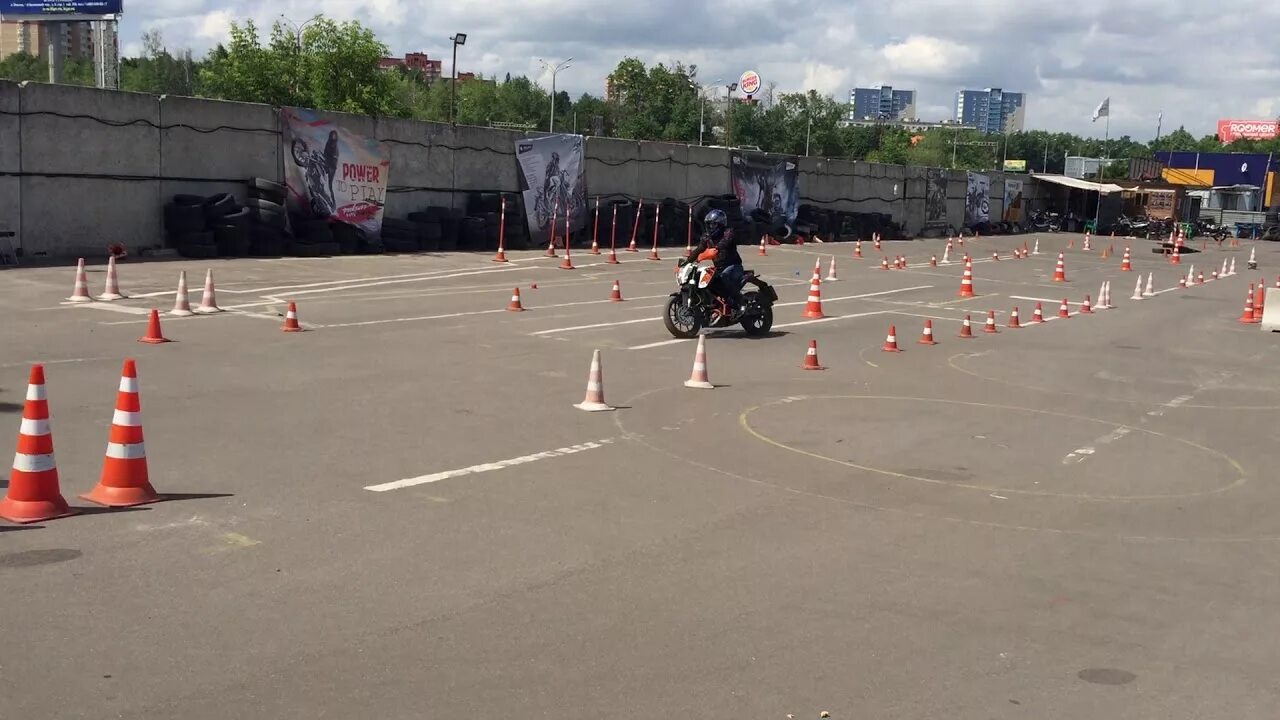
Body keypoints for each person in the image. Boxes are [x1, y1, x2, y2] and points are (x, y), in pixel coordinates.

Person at [688, 208, 745, 317]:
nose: (710, 227)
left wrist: (714, 250)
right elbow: (698, 249)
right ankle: (713, 305)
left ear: (720, 224)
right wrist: (686, 263)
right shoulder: (707, 237)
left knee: (723, 278)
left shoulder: (728, 233)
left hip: (734, 266)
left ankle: (740, 303)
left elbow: (723, 244)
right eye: (708, 224)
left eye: (713, 224)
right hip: (719, 268)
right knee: (704, 280)